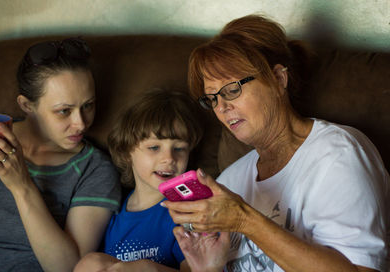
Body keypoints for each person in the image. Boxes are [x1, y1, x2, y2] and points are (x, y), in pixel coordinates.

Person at [163, 15, 389, 272]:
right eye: (212, 98)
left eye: (232, 89)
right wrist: (208, 269)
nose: (222, 107)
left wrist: (243, 219)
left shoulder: (337, 155)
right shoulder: (230, 179)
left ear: (279, 79)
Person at [0, 38, 122, 272]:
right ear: (27, 105)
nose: (80, 123)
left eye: (88, 105)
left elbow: (68, 267)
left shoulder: (95, 170)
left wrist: (22, 187)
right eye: (64, 111)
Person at [73, 89, 204, 272]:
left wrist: (148, 268)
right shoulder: (114, 215)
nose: (169, 158)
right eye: (154, 147)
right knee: (91, 264)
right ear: (127, 152)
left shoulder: (188, 211)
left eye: (179, 149)